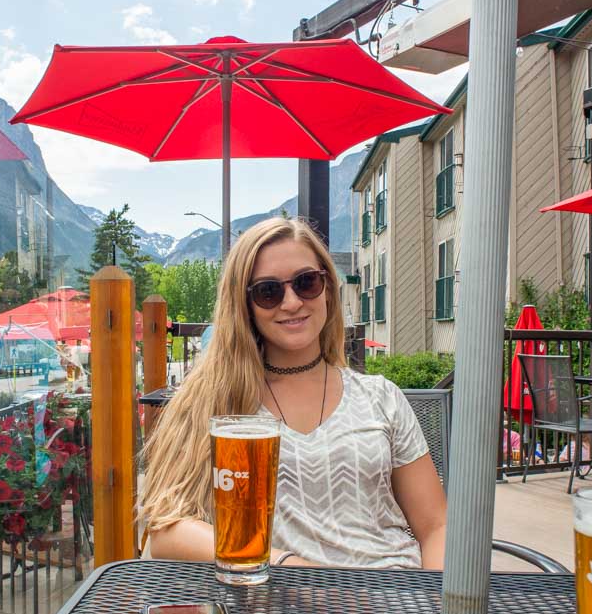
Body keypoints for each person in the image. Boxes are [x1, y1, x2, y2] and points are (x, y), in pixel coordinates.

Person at [139, 217, 447, 569]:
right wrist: (286, 567)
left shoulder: (381, 397)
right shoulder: (213, 399)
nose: (291, 302)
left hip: (394, 602)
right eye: (268, 291)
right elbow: (166, 528)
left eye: (306, 282)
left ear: (328, 286)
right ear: (245, 305)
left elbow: (436, 525)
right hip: (275, 613)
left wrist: (442, 613)